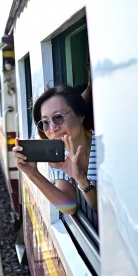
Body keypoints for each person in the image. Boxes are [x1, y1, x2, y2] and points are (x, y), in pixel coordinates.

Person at [12, 84, 97, 213]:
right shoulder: (61, 157)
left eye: (58, 117)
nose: (52, 129)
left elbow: (110, 214)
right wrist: (33, 174)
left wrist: (81, 179)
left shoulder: (106, 146)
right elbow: (69, 207)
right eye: (45, 123)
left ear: (80, 115)